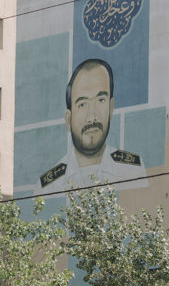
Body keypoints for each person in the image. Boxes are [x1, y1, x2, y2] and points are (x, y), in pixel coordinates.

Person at [36, 58, 147, 194]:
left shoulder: (132, 170)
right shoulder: (49, 185)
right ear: (68, 119)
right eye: (82, 104)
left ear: (111, 109)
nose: (92, 116)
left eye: (101, 100)